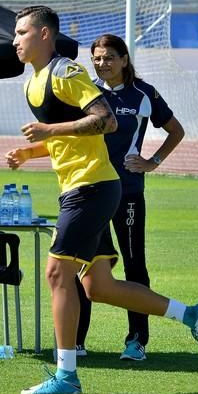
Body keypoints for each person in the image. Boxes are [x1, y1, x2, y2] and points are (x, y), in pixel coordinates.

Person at [6, 6, 198, 394]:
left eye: (21, 32)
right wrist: (30, 153)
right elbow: (69, 139)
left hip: (94, 187)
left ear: (45, 35)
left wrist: (47, 129)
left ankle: (67, 376)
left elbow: (106, 120)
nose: (15, 40)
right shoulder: (32, 82)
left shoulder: (64, 72)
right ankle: (191, 314)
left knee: (56, 274)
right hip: (79, 186)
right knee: (98, 287)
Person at [74, 34, 186, 362]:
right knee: (86, 264)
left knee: (135, 264)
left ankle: (136, 341)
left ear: (124, 59)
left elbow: (176, 131)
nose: (102, 63)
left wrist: (152, 162)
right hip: (91, 191)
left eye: (109, 57)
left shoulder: (144, 94)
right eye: (96, 58)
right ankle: (77, 342)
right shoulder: (87, 92)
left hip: (128, 193)